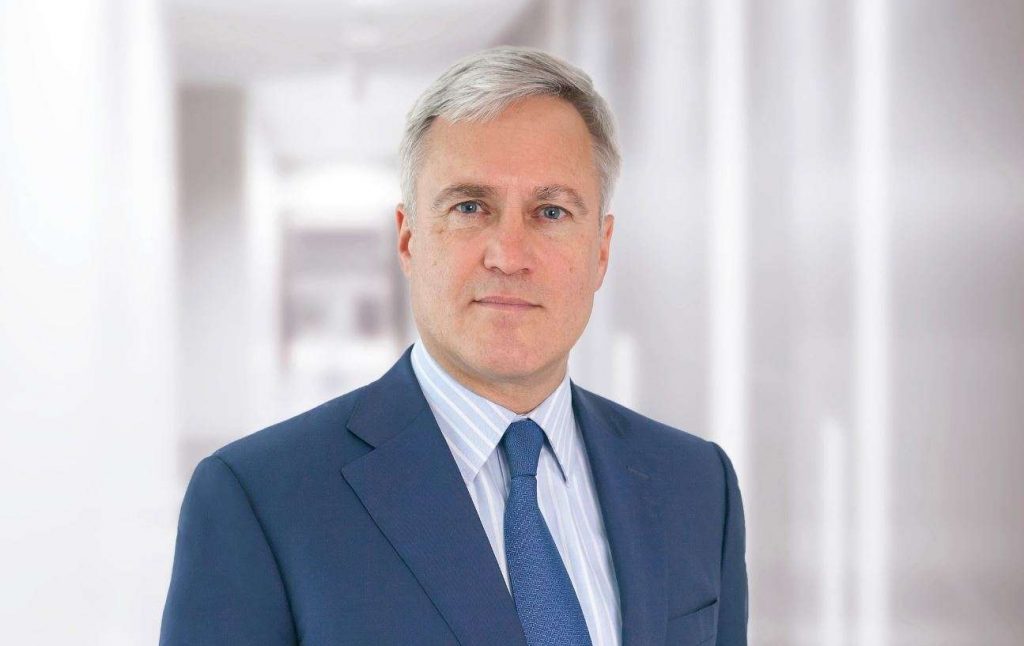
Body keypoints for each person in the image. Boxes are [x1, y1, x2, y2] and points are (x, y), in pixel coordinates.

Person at [160, 46, 747, 646]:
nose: (509, 256)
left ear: (601, 249)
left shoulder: (697, 486)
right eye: (470, 207)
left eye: (551, 211)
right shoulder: (259, 501)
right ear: (409, 240)